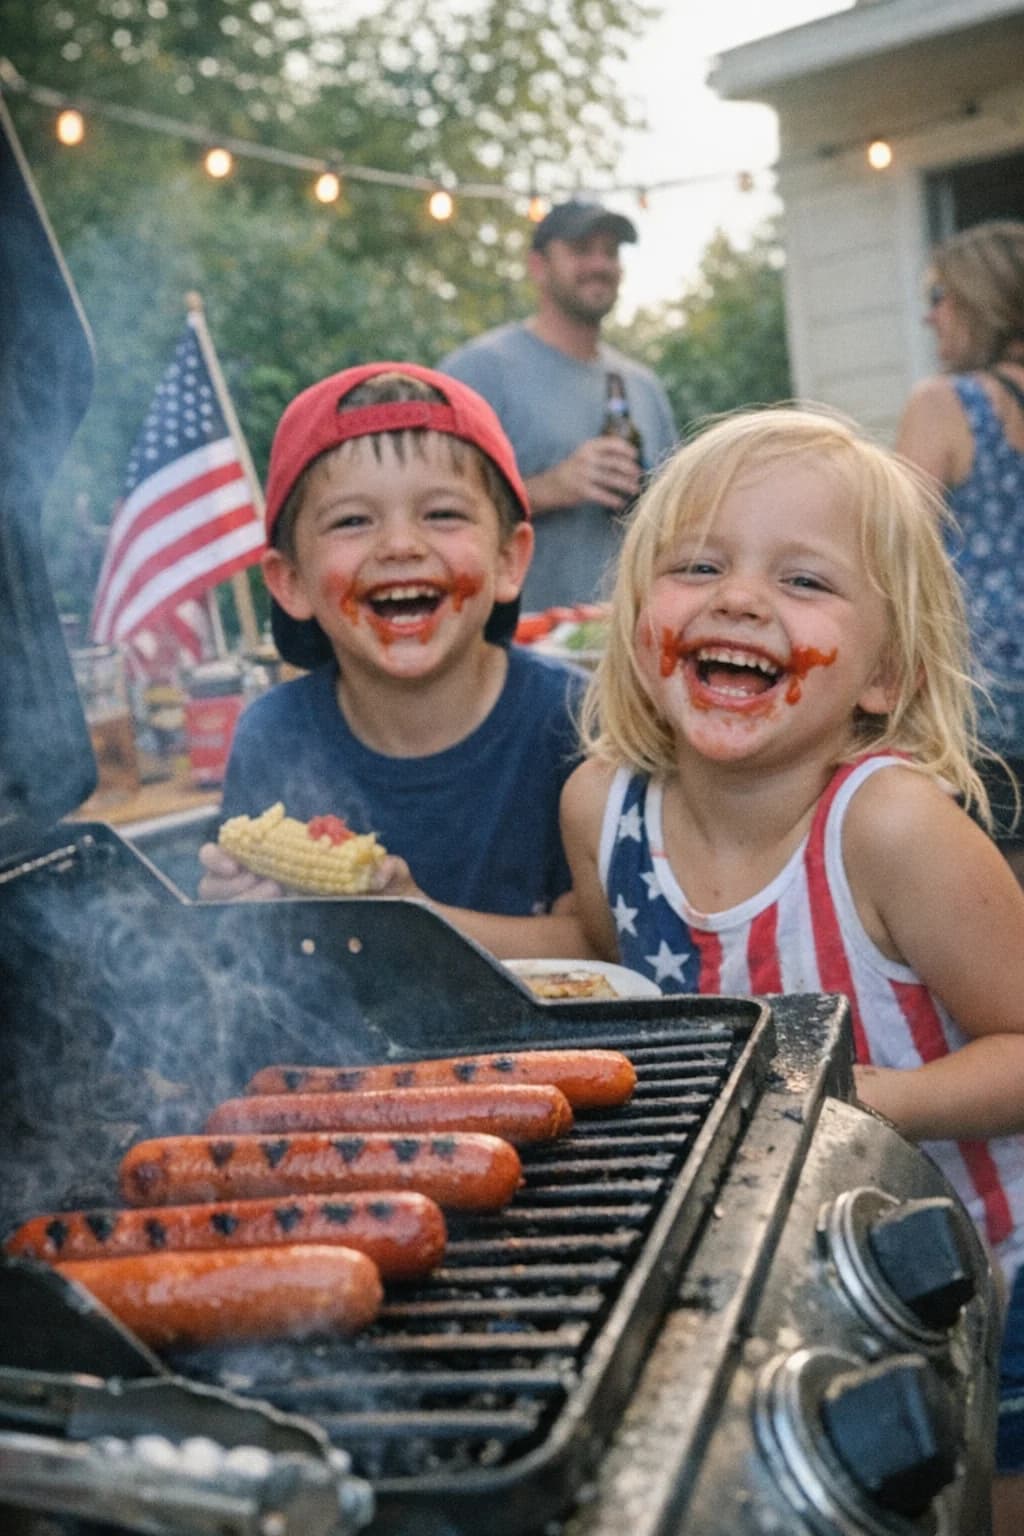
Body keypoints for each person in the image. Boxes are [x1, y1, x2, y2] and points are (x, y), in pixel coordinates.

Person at [559, 405, 1024, 1532]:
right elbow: (587, 954)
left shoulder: (891, 827)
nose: (738, 599)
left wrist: (849, 1100)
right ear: (637, 622)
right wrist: (409, 911)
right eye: (699, 565)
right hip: (778, 1286)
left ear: (881, 675)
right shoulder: (602, 809)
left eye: (805, 582)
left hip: (984, 1285)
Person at [197, 362, 591, 959]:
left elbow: (598, 946)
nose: (401, 545)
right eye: (352, 521)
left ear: (511, 559)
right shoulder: (273, 736)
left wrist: (418, 921)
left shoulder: (575, 720)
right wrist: (233, 916)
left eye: (442, 514)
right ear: (291, 581)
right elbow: (257, 975)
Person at [440, 199, 677, 614]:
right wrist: (549, 488)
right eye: (582, 250)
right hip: (509, 647)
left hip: (624, 642)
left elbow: (674, 524)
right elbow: (429, 509)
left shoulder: (643, 388)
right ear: (538, 266)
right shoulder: (479, 372)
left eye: (611, 252)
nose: (600, 263)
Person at [895, 219, 1024, 857]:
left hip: (982, 702)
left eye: (940, 296)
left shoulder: (947, 402)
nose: (931, 317)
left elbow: (893, 551)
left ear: (982, 300)